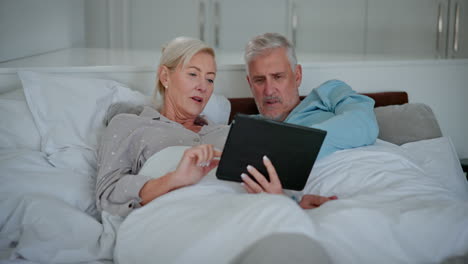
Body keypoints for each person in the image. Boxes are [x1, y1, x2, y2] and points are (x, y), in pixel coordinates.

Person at [240, 33, 379, 208]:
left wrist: (293, 144)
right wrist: (292, 203)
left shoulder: (328, 93)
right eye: (259, 80)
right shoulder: (249, 129)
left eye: (277, 77)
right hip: (325, 195)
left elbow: (364, 123)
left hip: (376, 174)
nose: (269, 91)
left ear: (297, 75)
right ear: (250, 84)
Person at [96, 37, 228, 217]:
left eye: (210, 79)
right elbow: (107, 196)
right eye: (193, 74)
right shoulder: (131, 125)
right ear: (165, 76)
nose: (203, 87)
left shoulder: (227, 132)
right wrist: (173, 179)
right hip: (177, 218)